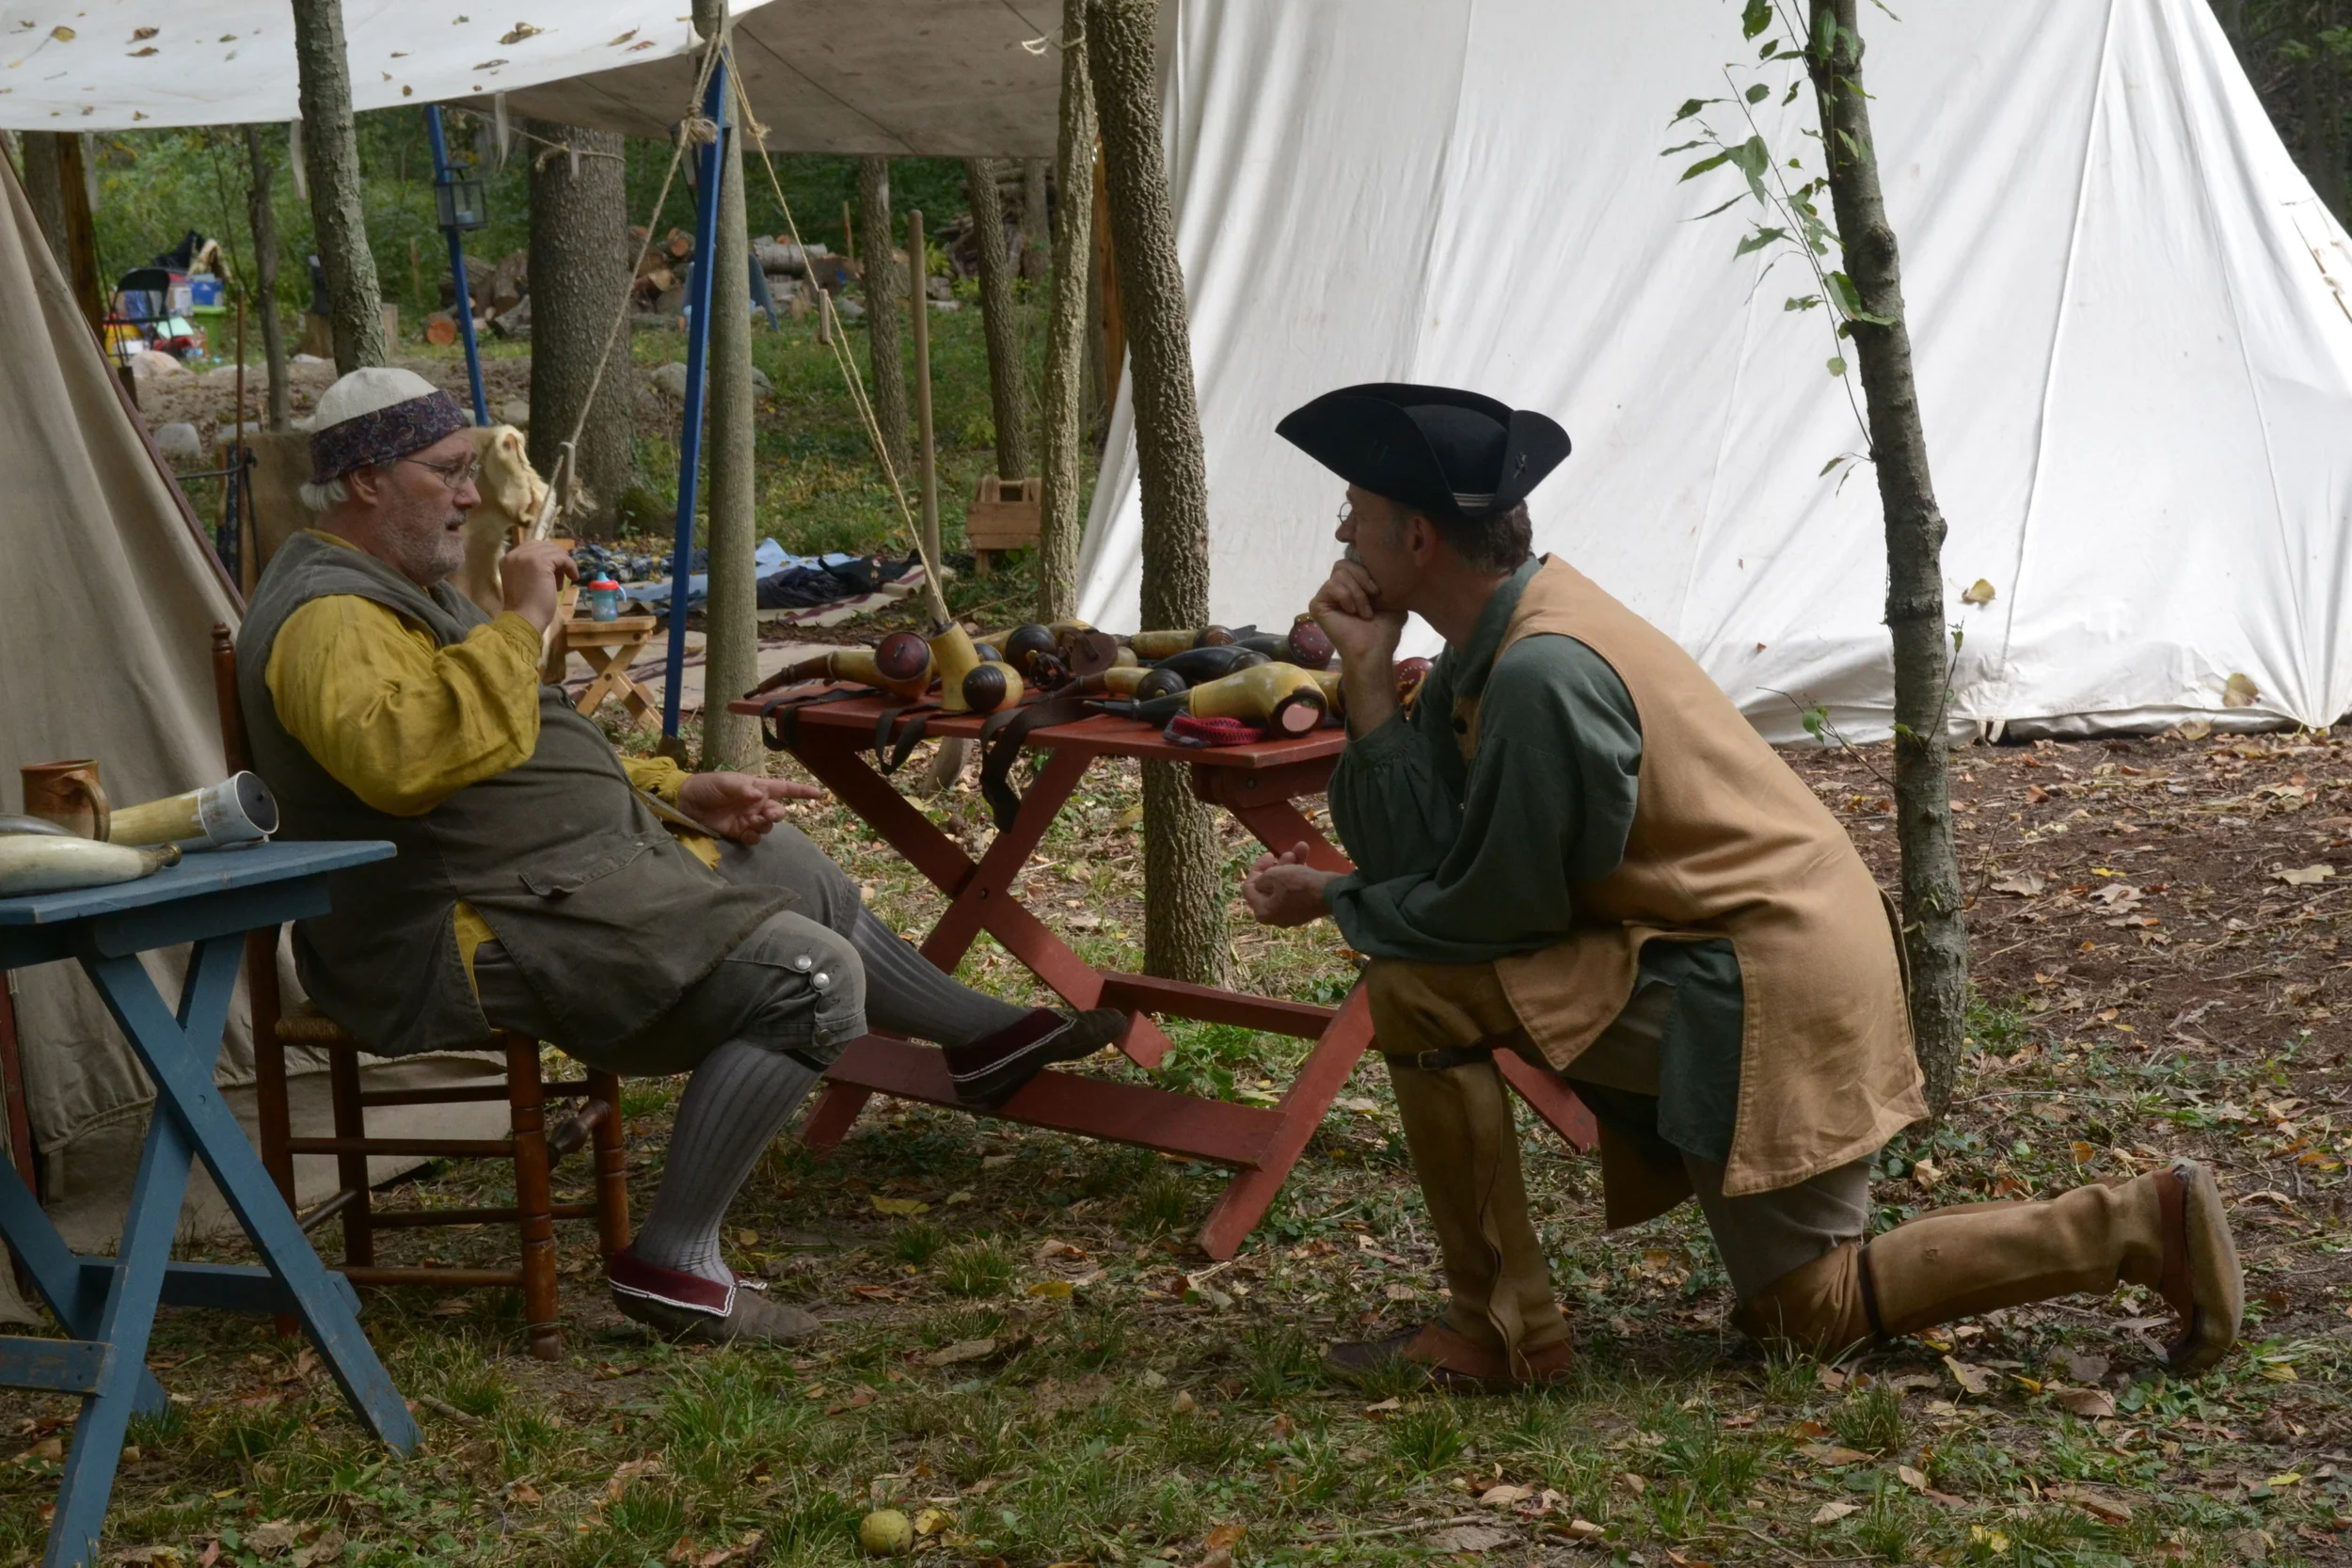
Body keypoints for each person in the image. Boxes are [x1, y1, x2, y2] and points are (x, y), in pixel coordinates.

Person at [1239, 382, 2242, 1390]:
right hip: (1741, 958)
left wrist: (1337, 898)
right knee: (1808, 1313)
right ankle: (2137, 1224)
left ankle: (1504, 1336)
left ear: (1416, 538)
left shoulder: (1543, 668)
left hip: (1767, 980)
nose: (1340, 533)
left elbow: (1501, 914)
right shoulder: (1495, 641)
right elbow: (1426, 860)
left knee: (1422, 990)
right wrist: (1366, 691)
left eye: (1354, 511)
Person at [236, 368, 1124, 1345]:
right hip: (453, 928)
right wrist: (522, 621)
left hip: (534, 876)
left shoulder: (398, 590)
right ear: (366, 480)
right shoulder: (330, 616)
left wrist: (669, 792)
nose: (470, 495)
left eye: (467, 472)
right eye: (445, 472)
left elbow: (519, 747)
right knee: (811, 980)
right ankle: (675, 1261)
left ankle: (982, 1039)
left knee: (790, 867)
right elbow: (406, 762)